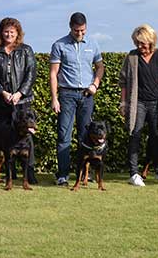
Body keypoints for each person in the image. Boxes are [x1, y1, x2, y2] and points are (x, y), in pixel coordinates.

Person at [49, 12, 104, 186]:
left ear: (86, 27)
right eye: (76, 30)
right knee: (64, 135)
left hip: (87, 95)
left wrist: (95, 83)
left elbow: (100, 67)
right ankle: (63, 174)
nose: (79, 34)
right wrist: (54, 98)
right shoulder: (59, 45)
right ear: (70, 27)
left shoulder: (93, 44)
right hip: (67, 95)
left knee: (85, 136)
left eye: (82, 30)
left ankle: (84, 174)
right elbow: (53, 73)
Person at [118, 24, 158, 186]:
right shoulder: (132, 57)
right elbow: (123, 81)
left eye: (142, 43)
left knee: (157, 136)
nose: (139, 46)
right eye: (137, 43)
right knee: (135, 134)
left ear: (150, 41)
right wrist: (123, 103)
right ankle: (134, 173)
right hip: (138, 103)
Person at [0, 17, 37, 183]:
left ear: (18, 33)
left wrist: (20, 93)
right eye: (6, 31)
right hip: (1, 102)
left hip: (22, 101)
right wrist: (2, 92)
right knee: (5, 137)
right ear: (1, 33)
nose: (9, 34)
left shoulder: (26, 50)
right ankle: (10, 173)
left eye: (12, 32)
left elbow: (31, 73)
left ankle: (29, 172)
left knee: (27, 136)